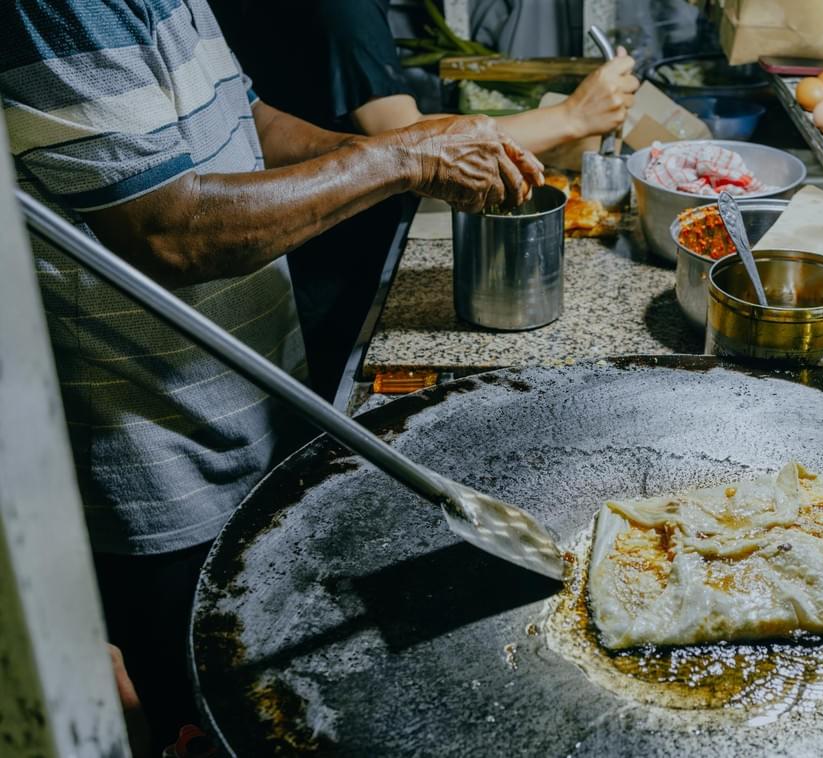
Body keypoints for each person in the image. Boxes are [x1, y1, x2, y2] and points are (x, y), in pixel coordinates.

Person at [1, 0, 542, 749]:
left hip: (258, 406)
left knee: (295, 689)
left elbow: (249, 122)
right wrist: (399, 159)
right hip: (167, 466)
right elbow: (170, 229)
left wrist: (403, 157)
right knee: (229, 718)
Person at [210, 0, 639, 396]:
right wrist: (574, 115)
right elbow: (393, 132)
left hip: (321, 230)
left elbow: (263, 118)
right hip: (315, 251)